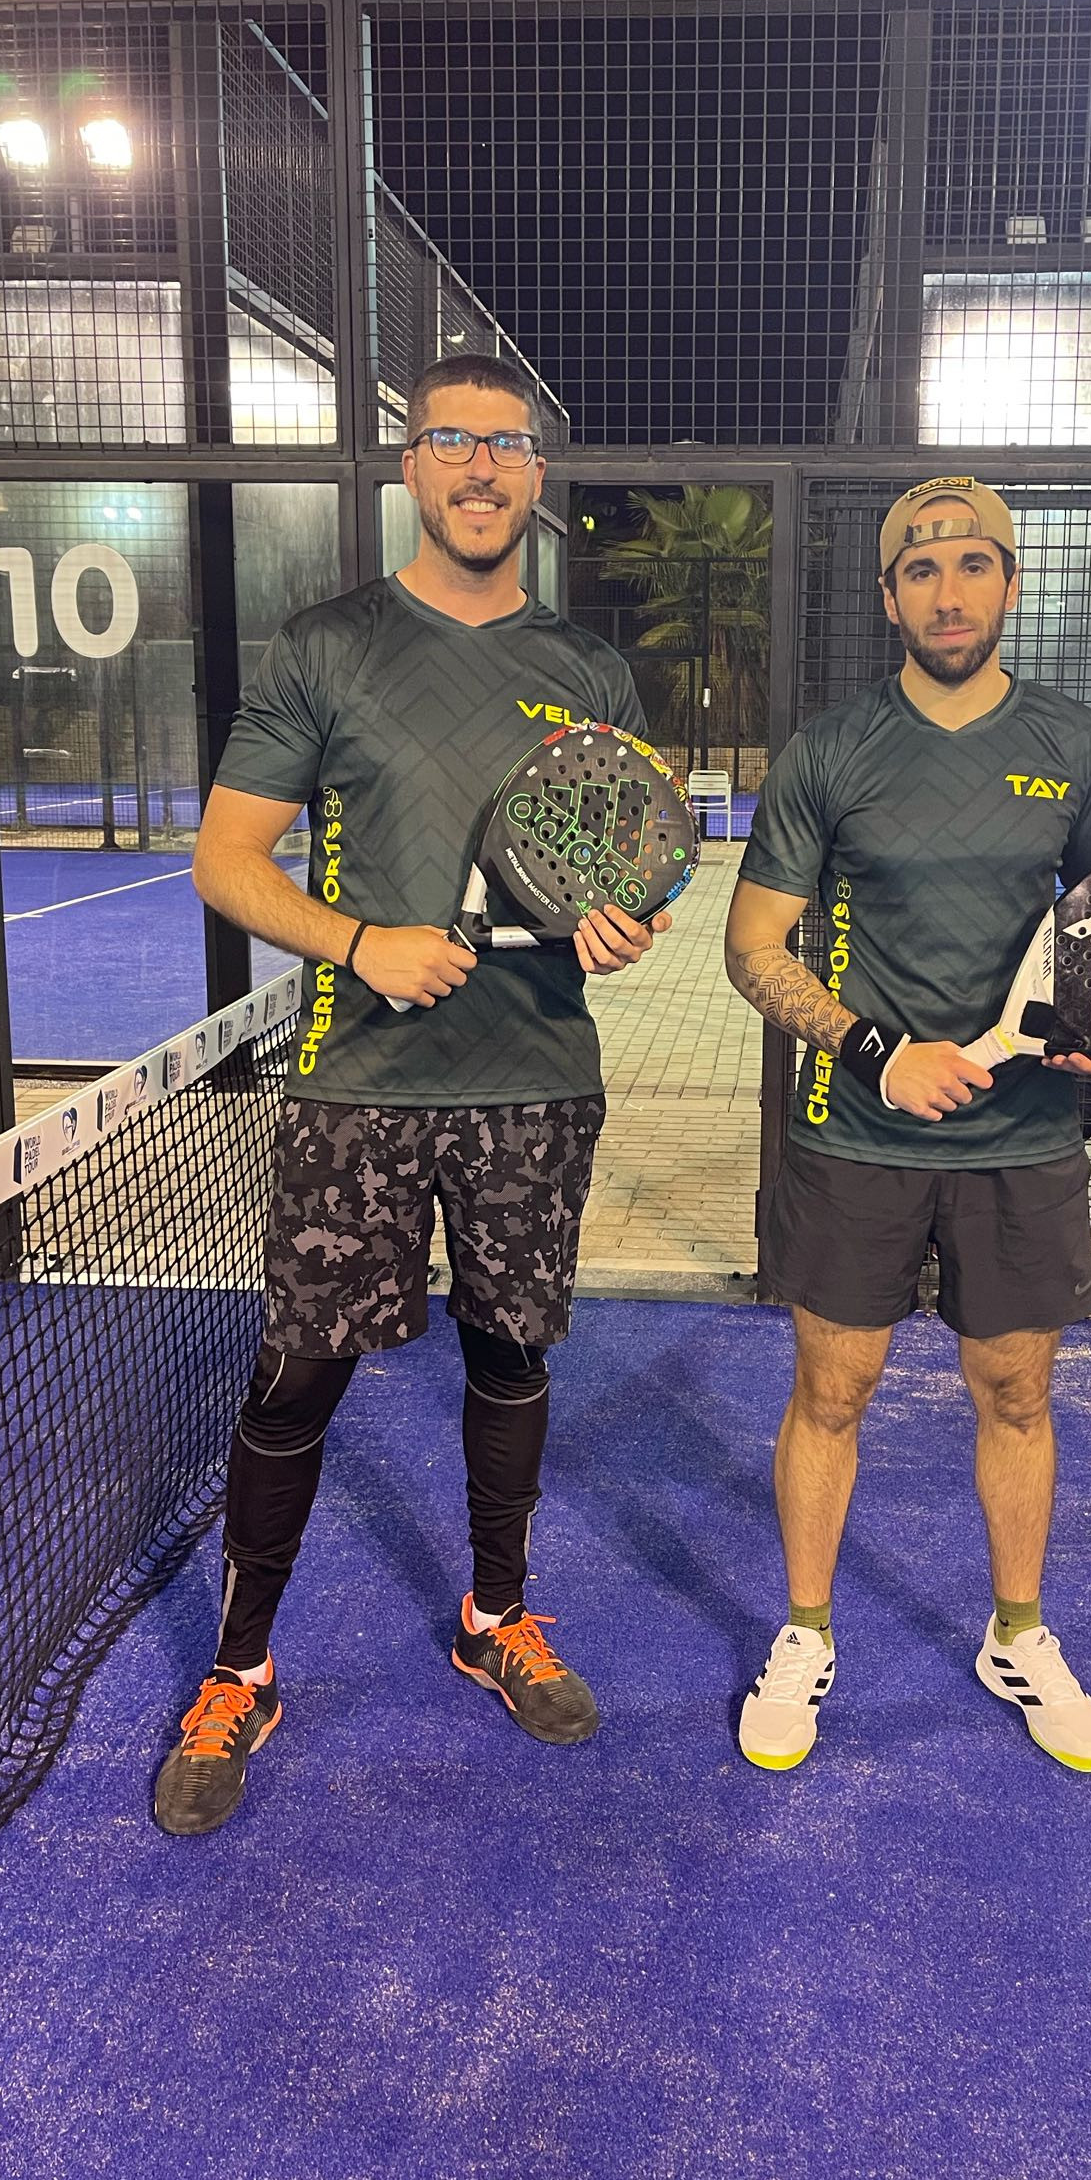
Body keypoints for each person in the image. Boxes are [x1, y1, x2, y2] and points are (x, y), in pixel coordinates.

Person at [153, 354, 666, 1836]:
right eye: (453, 440)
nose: (482, 467)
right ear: (411, 467)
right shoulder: (329, 647)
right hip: (356, 1087)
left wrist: (616, 925)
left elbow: (614, 864)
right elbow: (228, 860)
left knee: (510, 1359)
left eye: (508, 443)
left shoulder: (589, 670)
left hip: (535, 1084)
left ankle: (495, 1617)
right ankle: (241, 1670)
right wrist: (360, 942)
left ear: (537, 475)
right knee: (299, 1377)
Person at [724, 476, 1091, 1777]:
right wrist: (881, 1055)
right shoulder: (831, 751)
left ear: (1010, 582)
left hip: (1024, 1141)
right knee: (830, 1391)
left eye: (971, 565)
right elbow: (753, 946)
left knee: (1017, 1391)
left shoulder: (1076, 746)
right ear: (889, 596)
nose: (947, 592)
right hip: (857, 1136)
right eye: (920, 569)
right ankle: (804, 1634)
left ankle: (1018, 1636)